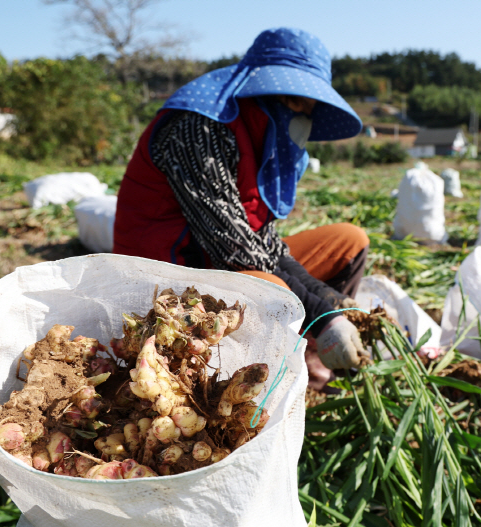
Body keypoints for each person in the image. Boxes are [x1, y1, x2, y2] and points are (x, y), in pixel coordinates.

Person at [113, 27, 369, 390]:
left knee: (349, 241)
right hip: (166, 282)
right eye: (298, 104)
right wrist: (322, 314)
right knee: (272, 290)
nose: (302, 118)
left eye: (310, 109)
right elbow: (233, 250)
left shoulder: (258, 138)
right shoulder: (199, 127)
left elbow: (263, 245)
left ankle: (312, 356)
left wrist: (332, 303)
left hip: (219, 264)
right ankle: (270, 385)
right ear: (267, 93)